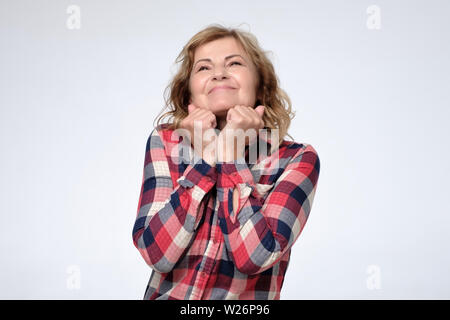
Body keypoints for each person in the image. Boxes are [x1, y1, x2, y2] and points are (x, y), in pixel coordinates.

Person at [132, 24, 320, 300]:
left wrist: (230, 155)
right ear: (189, 95)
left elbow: (255, 257)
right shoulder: (167, 142)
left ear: (261, 87)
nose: (219, 73)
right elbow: (156, 253)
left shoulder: (297, 159)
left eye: (234, 63)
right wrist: (209, 157)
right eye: (204, 68)